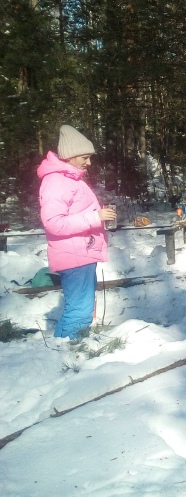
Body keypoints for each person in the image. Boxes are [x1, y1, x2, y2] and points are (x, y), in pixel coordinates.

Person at [37, 125, 116, 339]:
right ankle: (67, 351)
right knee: (79, 310)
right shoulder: (56, 182)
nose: (89, 163)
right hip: (74, 256)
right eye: (85, 157)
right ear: (70, 156)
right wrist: (95, 217)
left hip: (81, 252)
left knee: (82, 308)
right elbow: (53, 223)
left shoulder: (69, 179)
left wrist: (98, 216)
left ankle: (68, 348)